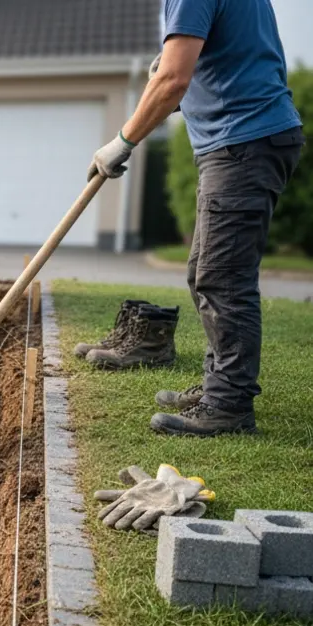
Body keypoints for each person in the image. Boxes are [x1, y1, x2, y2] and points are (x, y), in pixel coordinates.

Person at [89, 0, 303, 436]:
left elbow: (174, 80)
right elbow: (220, 65)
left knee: (224, 279)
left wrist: (122, 141)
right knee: (204, 272)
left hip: (243, 141)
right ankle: (218, 385)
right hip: (246, 138)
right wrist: (165, 86)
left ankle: (228, 405)